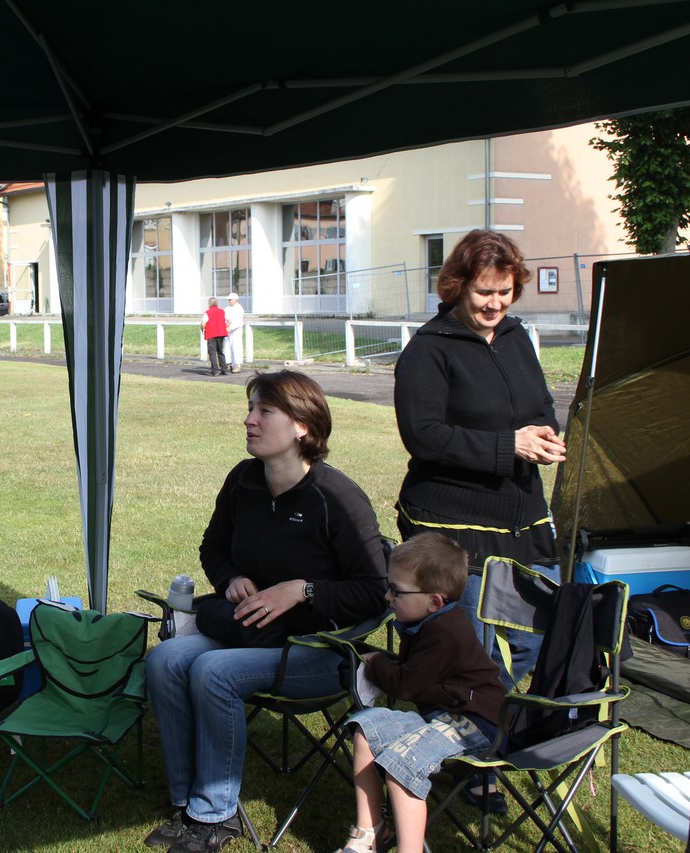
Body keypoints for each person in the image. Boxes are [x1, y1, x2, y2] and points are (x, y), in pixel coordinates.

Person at [144, 370, 389, 853]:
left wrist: (303, 590)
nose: (249, 420)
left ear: (302, 426)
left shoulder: (337, 498)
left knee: (213, 671)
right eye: (250, 407)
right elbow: (213, 547)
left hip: (318, 649)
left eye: (264, 411)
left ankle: (214, 814)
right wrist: (231, 578)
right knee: (165, 660)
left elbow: (375, 592)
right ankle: (186, 801)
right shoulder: (243, 481)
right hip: (248, 633)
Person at [393, 228, 565, 811]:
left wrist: (545, 434)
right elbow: (423, 436)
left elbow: (539, 404)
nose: (496, 305)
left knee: (542, 640)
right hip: (454, 525)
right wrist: (506, 447)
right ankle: (471, 760)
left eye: (506, 293)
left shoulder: (517, 338)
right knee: (474, 654)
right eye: (485, 293)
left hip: (524, 520)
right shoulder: (428, 348)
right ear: (458, 285)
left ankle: (517, 735)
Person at [338, 533, 505, 853]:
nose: (388, 597)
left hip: (479, 722)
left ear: (435, 600)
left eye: (396, 591)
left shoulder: (444, 632)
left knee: (404, 763)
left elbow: (406, 684)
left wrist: (375, 665)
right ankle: (371, 830)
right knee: (365, 731)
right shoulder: (428, 621)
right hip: (442, 716)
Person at [202, 296, 228, 376]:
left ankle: (215, 370)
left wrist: (203, 329)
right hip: (221, 333)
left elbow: (203, 323)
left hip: (211, 334)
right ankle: (224, 369)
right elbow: (229, 320)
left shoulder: (207, 312)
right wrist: (225, 327)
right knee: (220, 351)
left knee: (212, 353)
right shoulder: (222, 311)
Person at [223, 292, 244, 374]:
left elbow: (238, 321)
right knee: (227, 347)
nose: (229, 301)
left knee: (236, 347)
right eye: (229, 300)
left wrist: (230, 327)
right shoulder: (227, 308)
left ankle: (237, 364)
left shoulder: (239, 308)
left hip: (236, 331)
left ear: (235, 299)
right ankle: (228, 363)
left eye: (230, 299)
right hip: (227, 330)